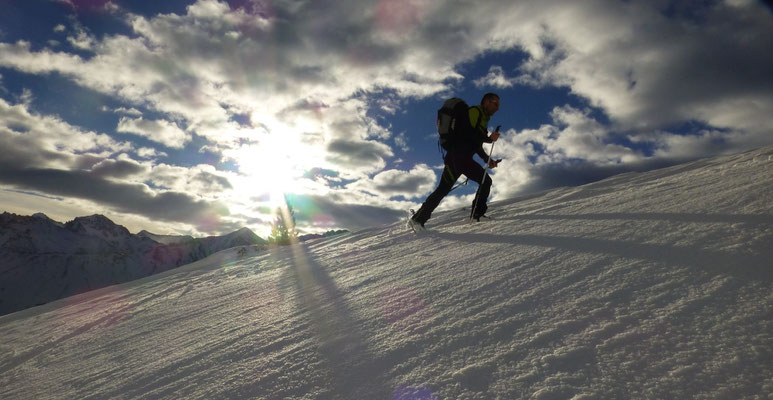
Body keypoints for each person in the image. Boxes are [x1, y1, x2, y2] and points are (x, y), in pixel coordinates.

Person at [410, 93, 500, 229]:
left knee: (442, 189)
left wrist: (487, 159)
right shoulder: (475, 112)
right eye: (495, 103)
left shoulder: (482, 118)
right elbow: (469, 134)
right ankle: (477, 215)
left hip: (455, 158)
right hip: (459, 157)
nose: (497, 107)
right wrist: (489, 138)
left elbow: (475, 143)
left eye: (498, 104)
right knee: (485, 181)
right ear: (486, 101)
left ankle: (417, 219)